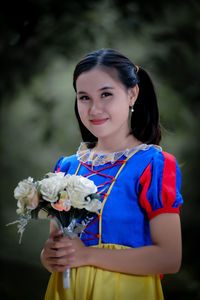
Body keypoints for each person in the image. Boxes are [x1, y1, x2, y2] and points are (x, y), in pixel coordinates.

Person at [41, 48, 183, 300]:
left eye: (106, 94)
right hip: (66, 291)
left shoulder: (153, 164)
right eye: (84, 97)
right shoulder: (66, 166)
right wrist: (49, 256)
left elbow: (170, 258)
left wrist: (87, 255)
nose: (94, 108)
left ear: (132, 94)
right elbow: (54, 246)